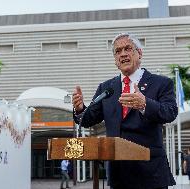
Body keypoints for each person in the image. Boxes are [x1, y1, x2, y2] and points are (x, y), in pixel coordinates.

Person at [72, 33, 178, 189]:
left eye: (128, 48)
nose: (122, 54)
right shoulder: (107, 88)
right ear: (115, 60)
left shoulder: (161, 83)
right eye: (118, 51)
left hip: (150, 173)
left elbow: (170, 112)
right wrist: (80, 108)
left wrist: (144, 104)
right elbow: (88, 119)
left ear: (139, 53)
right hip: (118, 174)